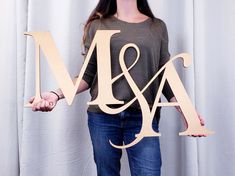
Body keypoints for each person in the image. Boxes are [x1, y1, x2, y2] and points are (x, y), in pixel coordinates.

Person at [29, 0, 205, 175]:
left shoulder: (157, 27)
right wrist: (55, 94)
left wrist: (187, 111)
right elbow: (87, 76)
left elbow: (165, 75)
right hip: (103, 118)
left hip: (143, 117)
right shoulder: (98, 26)